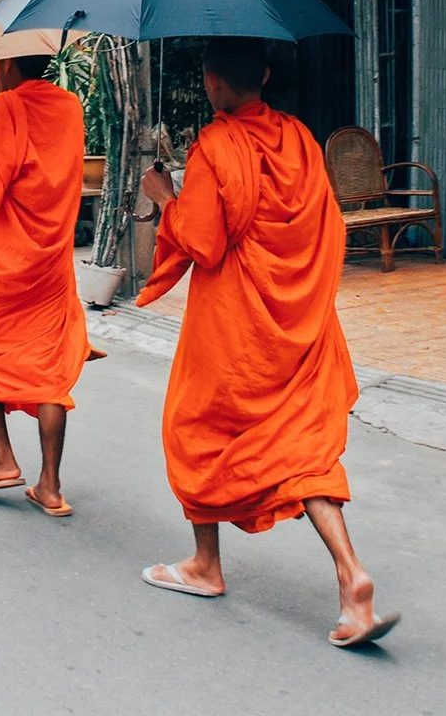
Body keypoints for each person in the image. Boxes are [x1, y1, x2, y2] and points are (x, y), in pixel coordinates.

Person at [135, 37, 397, 649]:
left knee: (193, 429)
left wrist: (164, 198)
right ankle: (351, 575)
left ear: (211, 82)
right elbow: (325, 223)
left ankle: (205, 565)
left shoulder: (217, 145)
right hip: (298, 322)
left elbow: (202, 242)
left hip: (234, 327)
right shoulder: (302, 138)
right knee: (301, 451)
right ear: (267, 75)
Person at [0, 52, 88, 517]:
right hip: (52, 261)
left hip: (6, 262)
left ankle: (3, 459)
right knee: (47, 368)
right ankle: (50, 485)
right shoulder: (70, 106)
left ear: (7, 64)